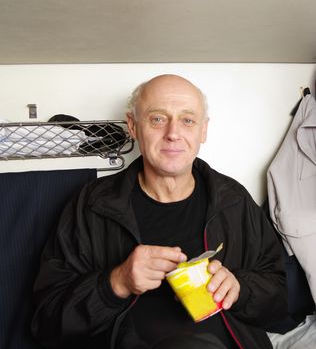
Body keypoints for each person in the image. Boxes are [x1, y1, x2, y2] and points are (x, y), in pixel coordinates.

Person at [31, 74, 287, 349]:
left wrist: (240, 289)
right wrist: (116, 282)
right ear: (133, 126)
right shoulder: (92, 205)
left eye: (187, 120)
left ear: (203, 130)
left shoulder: (233, 200)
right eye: (157, 119)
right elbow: (46, 323)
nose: (173, 133)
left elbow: (282, 299)